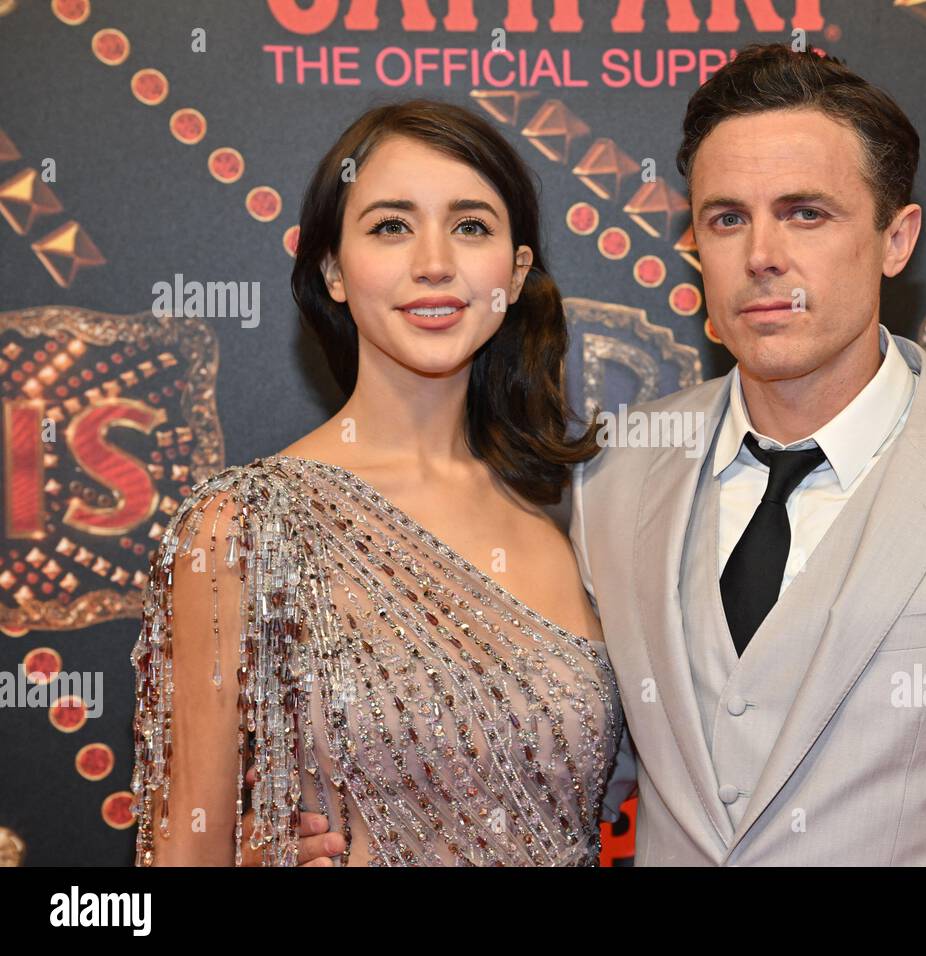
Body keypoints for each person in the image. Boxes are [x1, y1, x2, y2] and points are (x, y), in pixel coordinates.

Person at [295, 43, 926, 866]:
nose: (763, 256)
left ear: (897, 237)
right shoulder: (613, 474)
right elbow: (563, 777)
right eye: (727, 219)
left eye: (806, 214)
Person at [129, 99, 623, 866]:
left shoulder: (569, 518)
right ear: (332, 268)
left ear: (517, 272)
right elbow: (179, 852)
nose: (434, 261)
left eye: (472, 226)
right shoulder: (244, 525)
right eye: (391, 226)